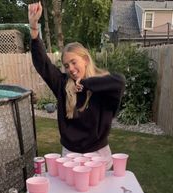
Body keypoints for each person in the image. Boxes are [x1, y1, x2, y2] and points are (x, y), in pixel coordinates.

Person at [28, 1, 125, 169]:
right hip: (70, 154)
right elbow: (42, 64)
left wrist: (87, 84)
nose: (71, 69)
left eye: (74, 62)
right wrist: (34, 29)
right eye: (66, 66)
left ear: (85, 60)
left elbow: (119, 81)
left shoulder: (103, 85)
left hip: (98, 155)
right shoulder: (62, 85)